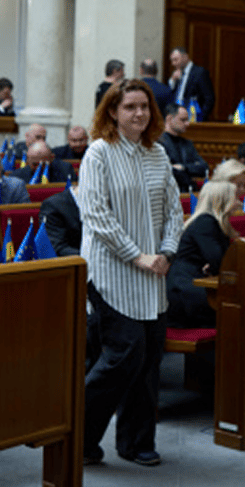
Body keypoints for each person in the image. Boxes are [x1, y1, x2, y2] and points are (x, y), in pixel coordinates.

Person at [78, 79, 183, 467]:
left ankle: (136, 442)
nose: (139, 113)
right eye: (130, 107)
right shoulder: (98, 154)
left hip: (153, 274)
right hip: (111, 275)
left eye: (144, 106)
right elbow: (95, 216)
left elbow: (174, 209)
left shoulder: (157, 154)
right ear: (112, 112)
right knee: (124, 356)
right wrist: (137, 255)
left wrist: (168, 250)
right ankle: (78, 435)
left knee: (149, 360)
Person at [165, 181, 240, 328]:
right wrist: (212, 266)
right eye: (235, 198)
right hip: (185, 291)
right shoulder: (206, 222)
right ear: (223, 201)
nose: (239, 203)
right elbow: (220, 261)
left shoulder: (213, 223)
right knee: (236, 309)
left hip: (193, 283)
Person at [157, 104, 208, 192]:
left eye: (187, 120)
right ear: (169, 119)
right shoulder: (158, 143)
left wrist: (183, 167)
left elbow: (204, 168)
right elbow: (167, 171)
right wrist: (191, 167)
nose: (187, 124)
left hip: (188, 190)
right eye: (183, 120)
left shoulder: (187, 143)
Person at [168, 47, 214, 122]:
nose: (173, 63)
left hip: (193, 118)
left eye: (176, 60)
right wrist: (173, 80)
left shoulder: (199, 73)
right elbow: (171, 93)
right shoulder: (177, 74)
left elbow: (209, 99)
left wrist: (200, 117)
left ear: (185, 57)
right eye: (172, 61)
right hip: (176, 117)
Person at [8, 141, 74, 184]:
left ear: (52, 158)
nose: (38, 168)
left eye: (44, 164)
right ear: (27, 160)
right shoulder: (16, 177)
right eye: (35, 164)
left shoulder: (65, 170)